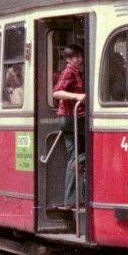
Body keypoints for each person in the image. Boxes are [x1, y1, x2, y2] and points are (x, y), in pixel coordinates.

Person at [52, 44, 86, 208]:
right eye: (76, 57)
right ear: (68, 59)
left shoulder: (77, 74)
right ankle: (72, 198)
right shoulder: (68, 72)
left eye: (80, 56)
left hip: (72, 118)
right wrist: (78, 96)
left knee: (75, 156)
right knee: (85, 153)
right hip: (70, 118)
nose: (80, 59)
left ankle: (73, 198)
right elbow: (57, 92)